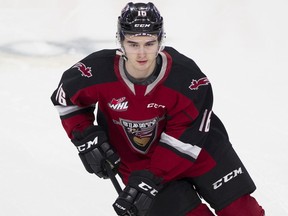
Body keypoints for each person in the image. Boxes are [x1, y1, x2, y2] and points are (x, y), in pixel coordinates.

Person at [51, 2, 265, 216]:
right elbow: (66, 98)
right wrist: (84, 135)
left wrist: (152, 178)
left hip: (199, 150)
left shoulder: (188, 79)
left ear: (160, 40)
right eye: (133, 44)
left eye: (149, 43)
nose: (142, 53)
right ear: (121, 41)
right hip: (139, 164)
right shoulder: (95, 71)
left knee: (243, 212)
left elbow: (186, 138)